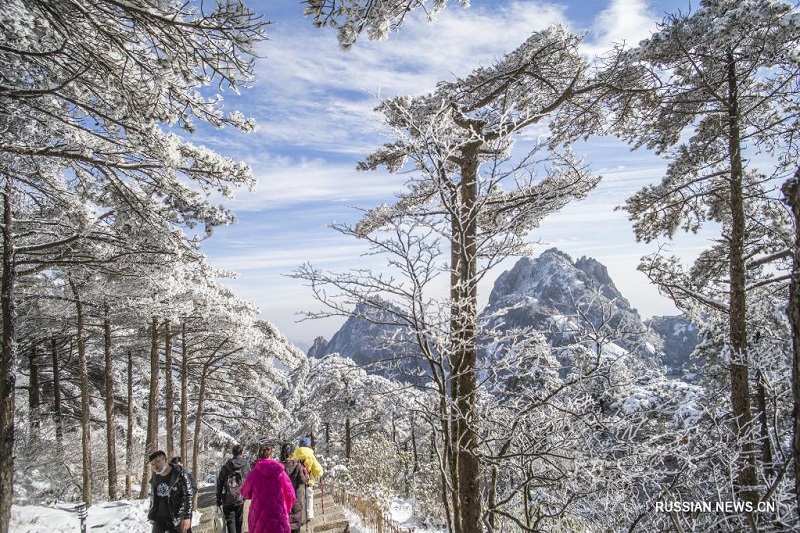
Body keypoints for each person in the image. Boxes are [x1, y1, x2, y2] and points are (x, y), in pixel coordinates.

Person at [240, 444, 296, 533]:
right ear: (271, 455)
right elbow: (290, 494)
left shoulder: (254, 474)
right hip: (278, 512)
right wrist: (286, 509)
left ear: (259, 456)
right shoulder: (280, 472)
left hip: (259, 514)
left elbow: (245, 493)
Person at [147, 450, 194, 533]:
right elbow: (153, 497)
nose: (155, 466)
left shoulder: (179, 474)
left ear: (165, 460)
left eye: (157, 462)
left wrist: (187, 517)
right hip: (160, 517)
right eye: (152, 464)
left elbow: (188, 495)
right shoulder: (155, 476)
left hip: (176, 516)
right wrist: (152, 512)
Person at [216, 444, 250, 533]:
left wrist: (218, 499)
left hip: (227, 498)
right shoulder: (245, 465)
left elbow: (219, 483)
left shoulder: (226, 466)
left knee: (230, 521)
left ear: (233, 453)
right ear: (242, 452)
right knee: (239, 520)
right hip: (240, 497)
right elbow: (249, 481)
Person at [289, 437, 323, 520]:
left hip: (297, 483)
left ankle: (299, 515)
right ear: (308, 446)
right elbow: (319, 471)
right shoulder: (311, 456)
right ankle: (309, 514)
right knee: (309, 496)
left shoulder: (294, 455)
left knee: (298, 498)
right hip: (308, 482)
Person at [280, 443, 310, 533]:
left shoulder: (278, 466)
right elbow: (302, 481)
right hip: (295, 496)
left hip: (283, 498)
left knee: (285, 520)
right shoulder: (297, 465)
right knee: (296, 521)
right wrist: (307, 478)